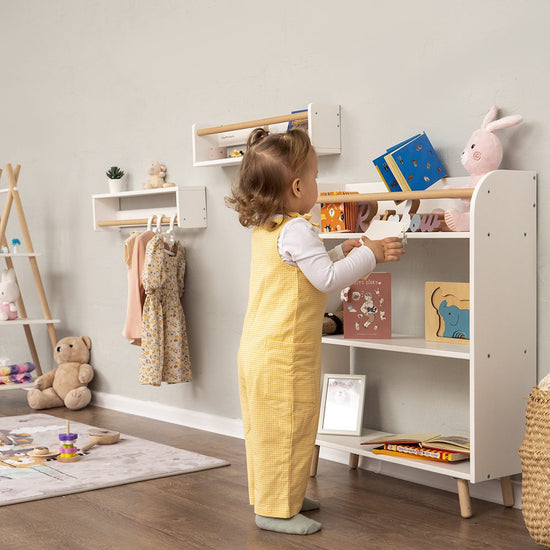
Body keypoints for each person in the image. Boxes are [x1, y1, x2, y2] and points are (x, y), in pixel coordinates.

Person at [226, 128, 404, 535]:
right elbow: (325, 280)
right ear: (298, 186)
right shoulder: (298, 228)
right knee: (289, 425)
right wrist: (368, 254)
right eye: (318, 176)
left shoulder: (271, 228)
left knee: (269, 428)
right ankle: (274, 510)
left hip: (259, 347)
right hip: (283, 353)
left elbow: (307, 269)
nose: (320, 184)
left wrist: (342, 249)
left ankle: (279, 495)